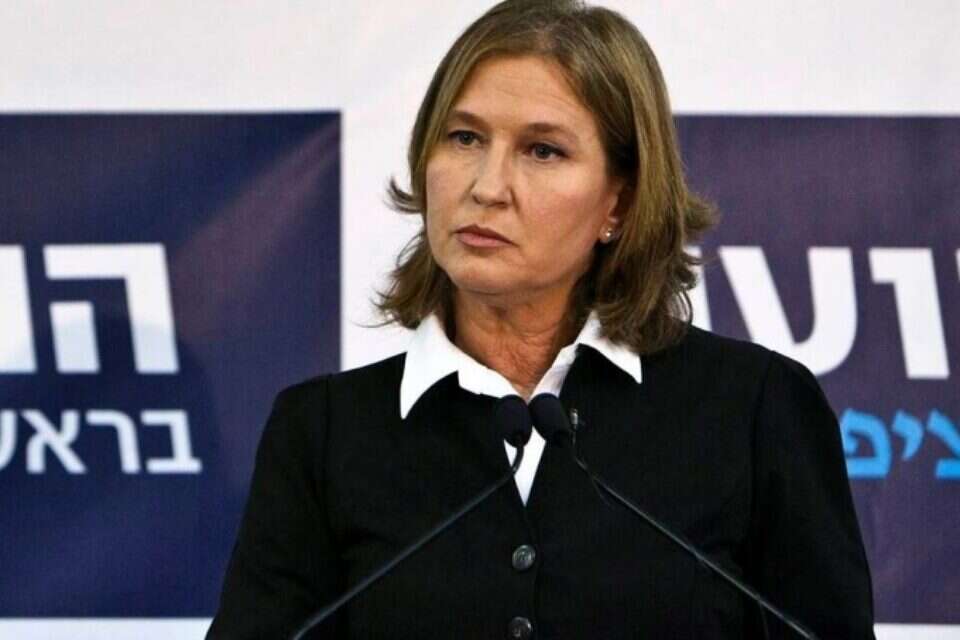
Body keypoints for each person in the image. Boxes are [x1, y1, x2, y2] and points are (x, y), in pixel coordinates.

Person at [207, 1, 875, 638]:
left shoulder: (753, 412)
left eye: (543, 151)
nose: (486, 186)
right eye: (465, 137)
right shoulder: (324, 433)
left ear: (619, 202)